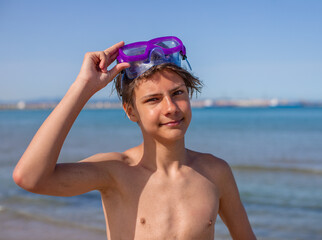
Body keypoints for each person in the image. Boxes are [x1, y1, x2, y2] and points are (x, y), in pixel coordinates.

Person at [13, 36, 256, 240]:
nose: (171, 107)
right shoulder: (115, 172)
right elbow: (30, 177)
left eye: (178, 93)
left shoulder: (215, 172)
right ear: (131, 111)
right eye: (153, 99)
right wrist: (84, 86)